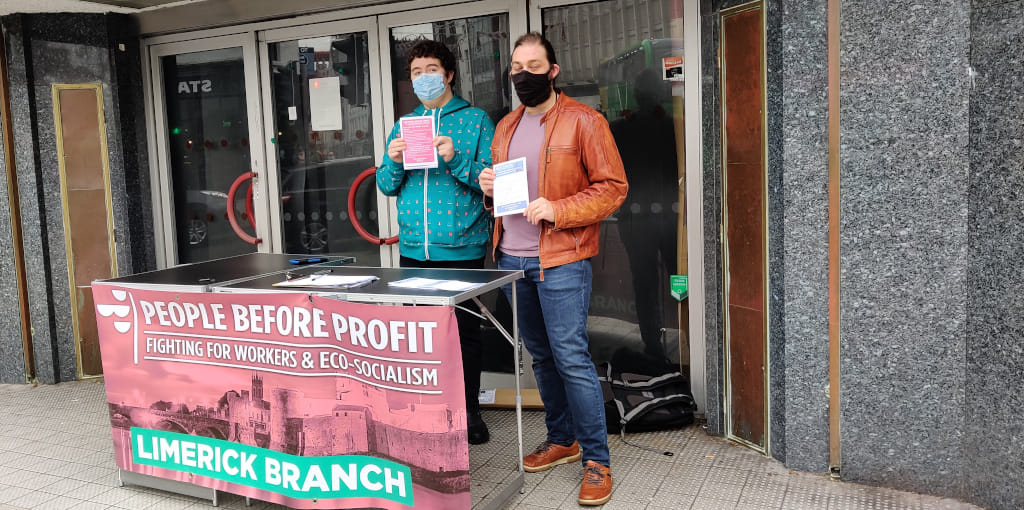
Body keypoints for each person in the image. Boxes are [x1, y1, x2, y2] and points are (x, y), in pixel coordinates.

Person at [479, 32, 628, 506]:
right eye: (516, 67)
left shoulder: (585, 121)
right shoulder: (505, 126)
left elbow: (613, 188)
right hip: (512, 258)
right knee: (540, 356)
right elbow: (506, 195)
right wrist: (489, 188)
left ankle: (597, 461)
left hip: (561, 259)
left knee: (571, 357)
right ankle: (562, 440)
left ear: (553, 70)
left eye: (533, 65)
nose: (523, 74)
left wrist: (559, 210)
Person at [376, 40, 495, 445]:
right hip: (413, 248)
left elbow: (492, 179)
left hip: (462, 245)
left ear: (448, 74)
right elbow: (387, 186)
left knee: (465, 334)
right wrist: (391, 160)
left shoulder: (475, 120)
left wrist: (456, 157)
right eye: (415, 73)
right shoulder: (406, 123)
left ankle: (469, 413)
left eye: (430, 70)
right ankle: (428, 412)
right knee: (422, 334)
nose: (423, 78)